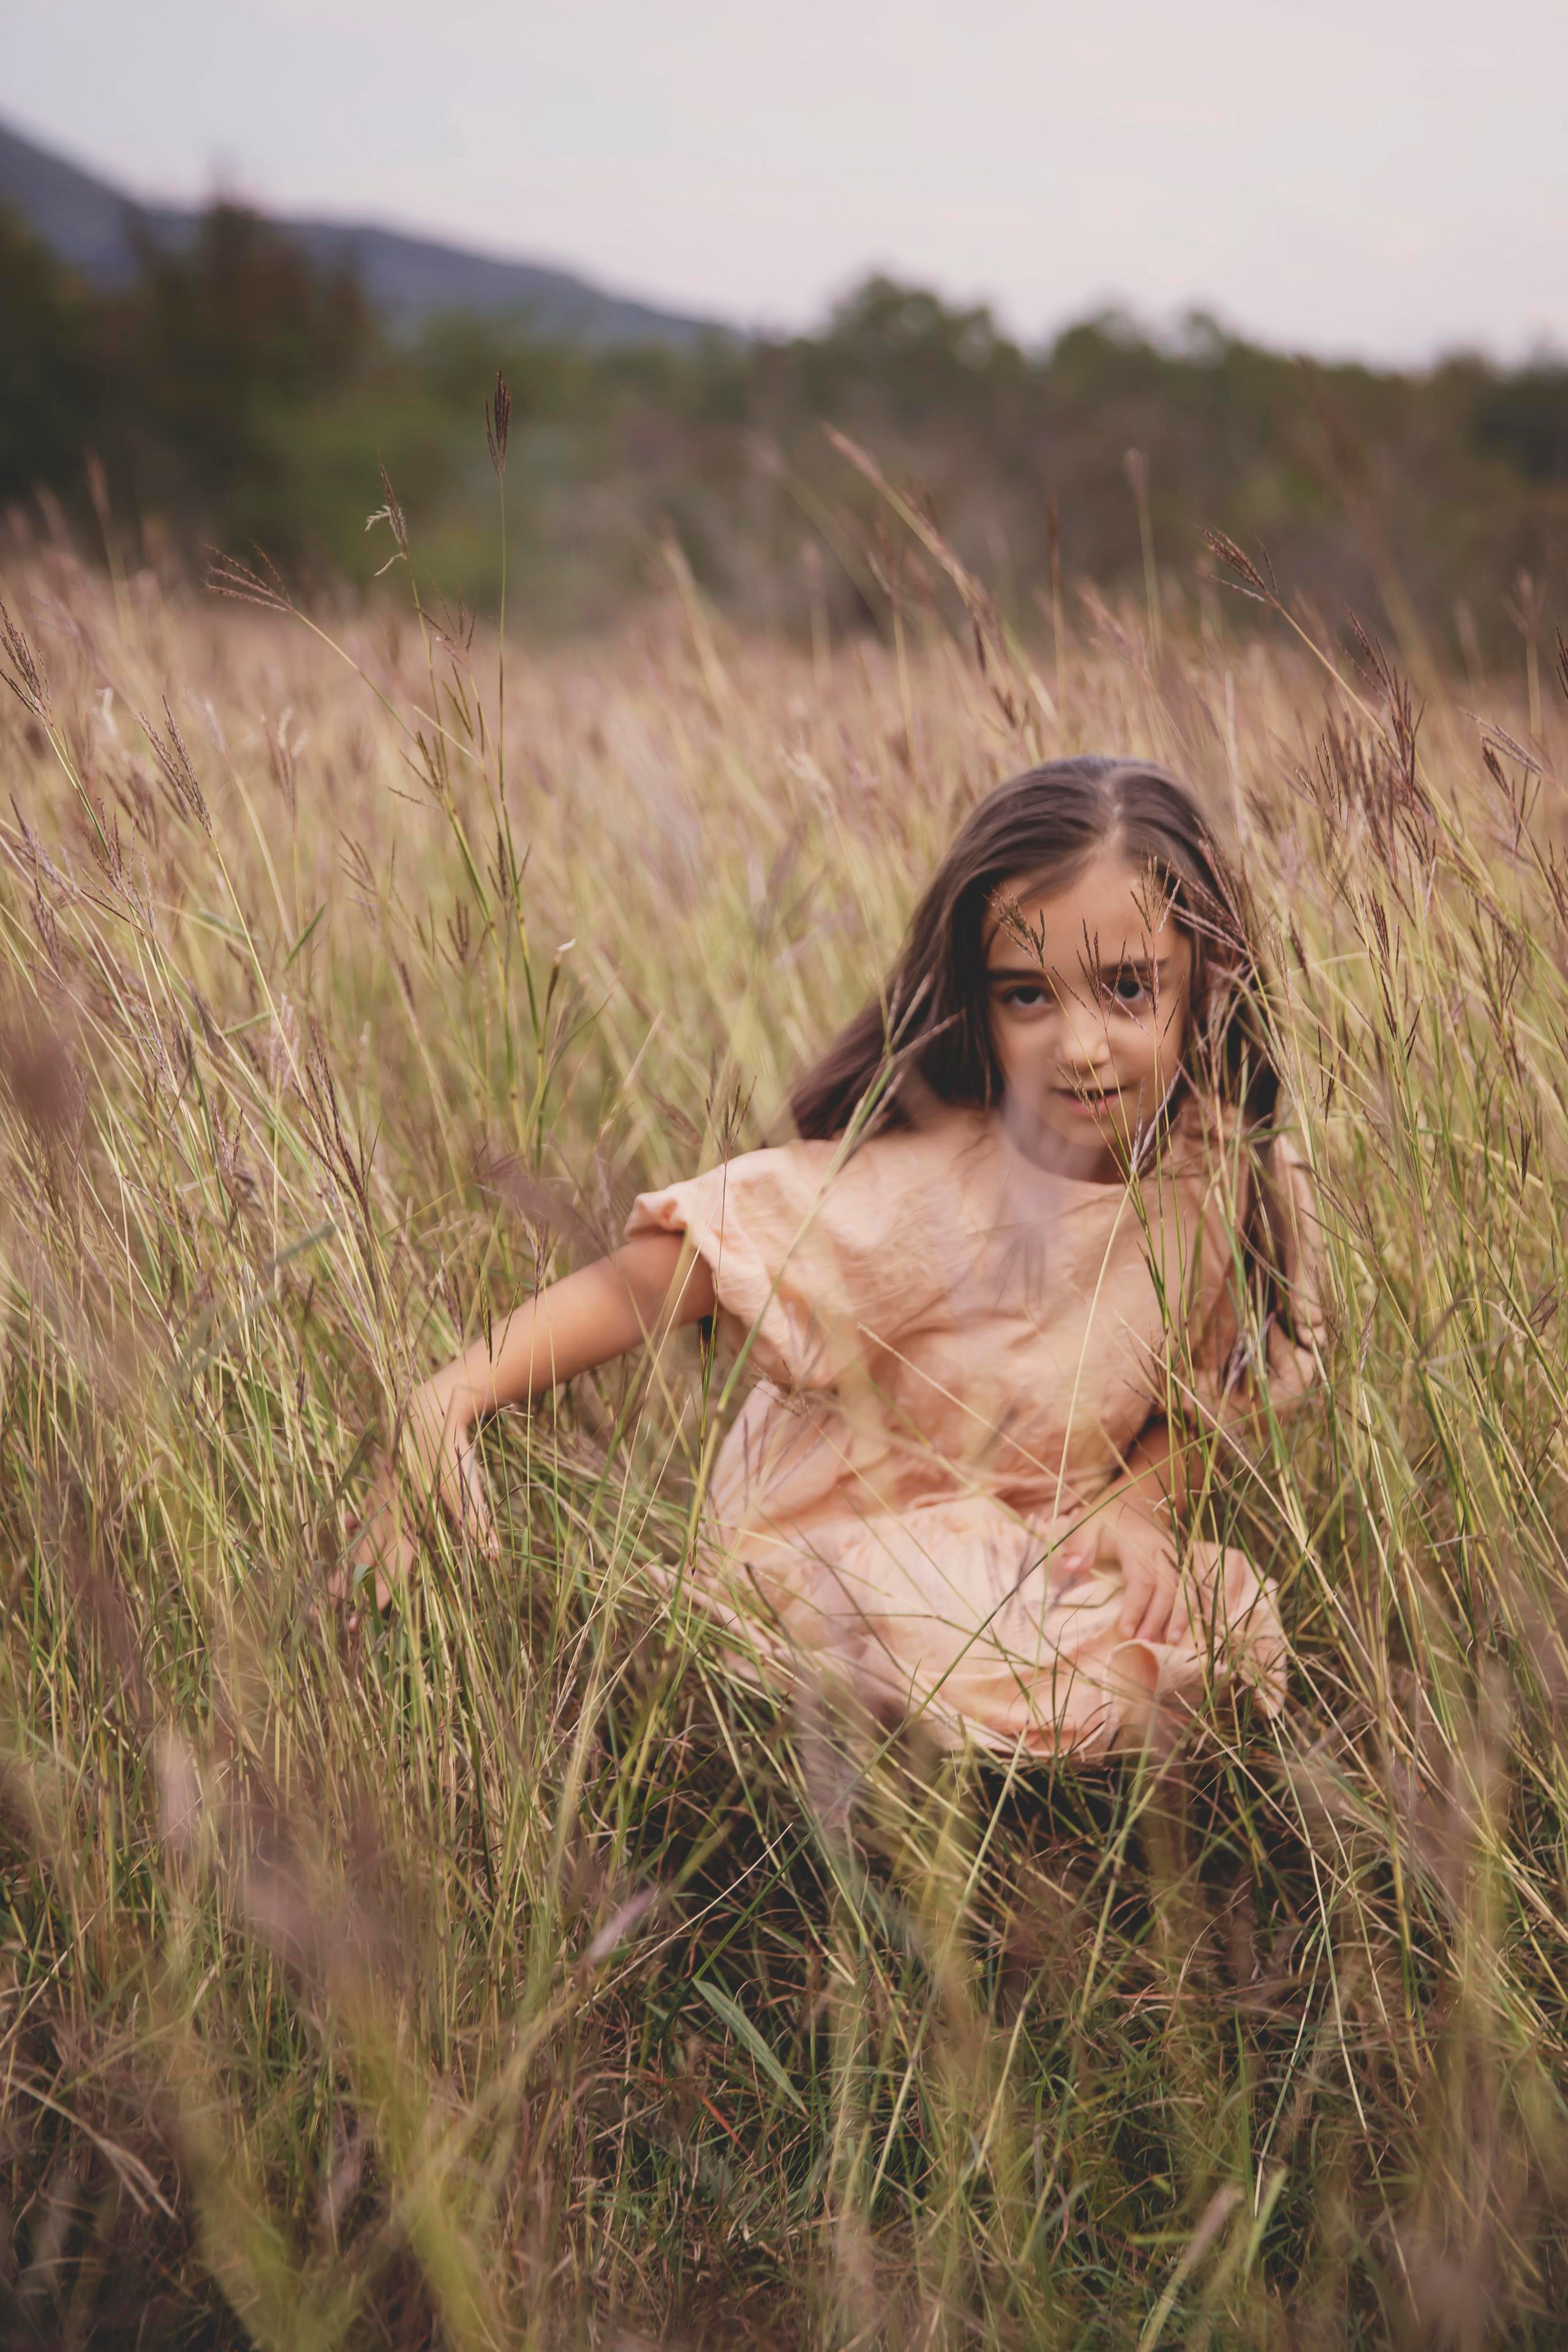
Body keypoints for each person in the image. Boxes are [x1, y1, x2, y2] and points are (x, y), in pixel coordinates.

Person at [355, 756, 1325, 1759]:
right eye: (1028, 996)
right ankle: (874, 1712)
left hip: (1045, 1546)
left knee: (1227, 1618)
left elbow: (1199, 1402)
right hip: (858, 1545)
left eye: (1128, 988)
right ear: (979, 1001)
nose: (1081, 1046)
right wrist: (449, 1399)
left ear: (1207, 972)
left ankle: (1020, 1727)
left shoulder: (1230, 1177)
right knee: (927, 1614)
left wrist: (1134, 1511)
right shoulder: (929, 1188)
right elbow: (663, 1274)